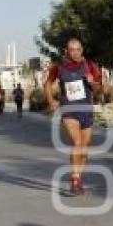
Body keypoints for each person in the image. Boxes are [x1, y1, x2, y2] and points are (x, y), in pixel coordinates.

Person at [43, 38, 102, 195]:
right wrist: (51, 100)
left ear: (81, 50)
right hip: (69, 110)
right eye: (71, 49)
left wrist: (93, 83)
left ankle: (78, 177)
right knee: (76, 142)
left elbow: (98, 89)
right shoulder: (59, 67)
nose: (75, 52)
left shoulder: (90, 66)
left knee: (84, 147)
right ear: (66, 51)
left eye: (77, 49)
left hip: (86, 110)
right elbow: (48, 83)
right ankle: (75, 179)